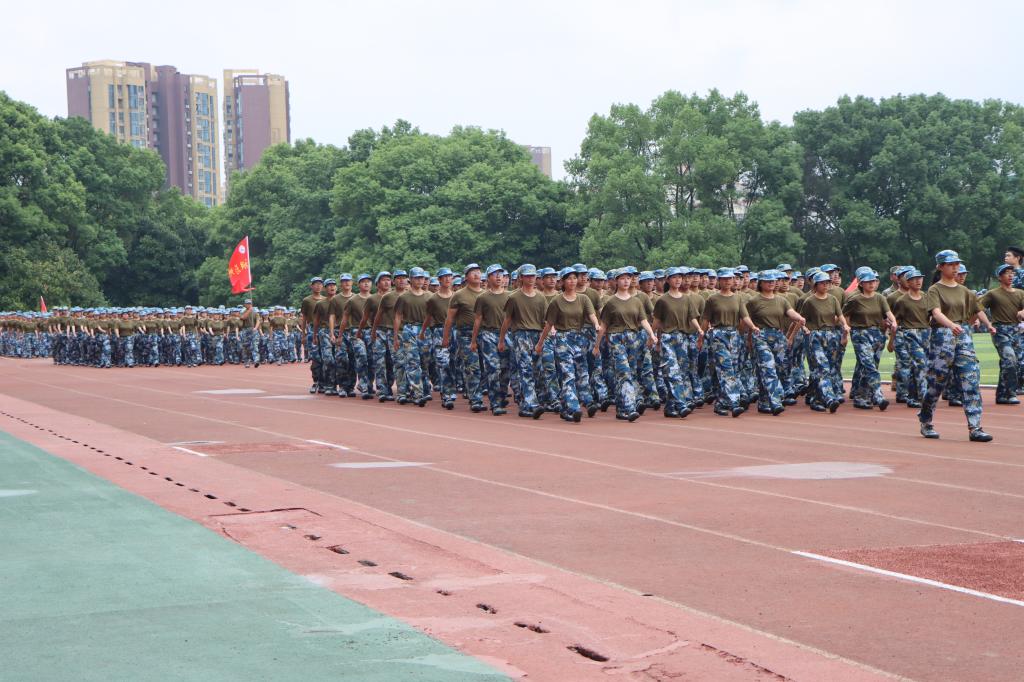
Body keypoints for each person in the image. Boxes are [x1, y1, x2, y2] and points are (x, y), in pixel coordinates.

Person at [918, 250, 995, 442]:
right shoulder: (935, 290)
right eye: (950, 264)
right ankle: (926, 420)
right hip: (942, 337)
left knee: (971, 380)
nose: (955, 268)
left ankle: (975, 427)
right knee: (936, 383)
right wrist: (951, 325)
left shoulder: (965, 291)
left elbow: (977, 310)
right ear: (940, 267)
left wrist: (985, 324)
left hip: (963, 336)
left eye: (957, 264)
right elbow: (936, 313)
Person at [538, 267, 601, 422]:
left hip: (579, 338)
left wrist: (596, 324)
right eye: (569, 278)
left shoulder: (583, 299)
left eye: (574, 278)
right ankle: (574, 407)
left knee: (582, 372)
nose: (572, 281)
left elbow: (591, 314)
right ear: (563, 282)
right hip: (562, 339)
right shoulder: (556, 301)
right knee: (568, 374)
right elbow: (549, 324)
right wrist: (540, 343)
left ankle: (585, 401)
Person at [745, 270, 806, 414]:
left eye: (773, 281)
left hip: (778, 336)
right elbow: (747, 320)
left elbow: (790, 312)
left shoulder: (781, 300)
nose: (771, 283)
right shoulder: (754, 301)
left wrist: (799, 317)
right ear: (761, 283)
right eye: (768, 281)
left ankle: (763, 401)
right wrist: (749, 340)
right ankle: (776, 401)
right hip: (761, 335)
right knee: (768, 367)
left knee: (776, 369)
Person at [652, 267, 703, 417]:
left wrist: (699, 329)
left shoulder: (687, 299)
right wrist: (652, 337)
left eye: (680, 277)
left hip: (682, 338)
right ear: (668, 280)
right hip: (667, 338)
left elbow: (692, 317)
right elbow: (657, 321)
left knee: (681, 371)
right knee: (672, 371)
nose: (678, 280)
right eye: (674, 277)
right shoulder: (662, 300)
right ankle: (681, 404)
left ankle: (670, 406)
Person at [844, 269, 898, 410]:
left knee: (869, 366)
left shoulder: (880, 298)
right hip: (860, 334)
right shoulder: (855, 299)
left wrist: (893, 322)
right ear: (861, 283)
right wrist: (849, 329)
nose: (872, 284)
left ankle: (861, 397)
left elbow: (888, 313)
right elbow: (844, 316)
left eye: (873, 281)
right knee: (869, 365)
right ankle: (878, 396)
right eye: (868, 281)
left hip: (877, 334)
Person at [498, 264, 547, 418]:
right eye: (527, 276)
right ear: (520, 278)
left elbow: (545, 320)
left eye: (533, 276)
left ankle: (527, 404)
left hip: (537, 335)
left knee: (538, 370)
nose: (531, 279)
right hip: (521, 335)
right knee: (525, 369)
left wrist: (545, 336)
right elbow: (507, 320)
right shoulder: (514, 298)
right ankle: (532, 404)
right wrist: (501, 340)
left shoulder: (541, 297)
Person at [796, 271, 849, 413]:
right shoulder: (809, 301)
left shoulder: (833, 299)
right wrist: (805, 329)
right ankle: (829, 398)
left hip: (831, 335)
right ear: (816, 285)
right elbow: (801, 319)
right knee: (822, 367)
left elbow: (840, 315)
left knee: (825, 369)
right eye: (822, 283)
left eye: (828, 283)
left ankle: (815, 398)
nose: (826, 285)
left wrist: (845, 325)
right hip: (815, 336)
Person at [701, 269, 748, 417]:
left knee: (730, 369)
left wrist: (751, 328)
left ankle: (721, 402)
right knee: (727, 368)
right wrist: (700, 337)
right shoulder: (712, 299)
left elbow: (744, 317)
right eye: (724, 279)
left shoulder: (738, 298)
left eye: (730, 279)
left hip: (734, 335)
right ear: (719, 280)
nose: (728, 281)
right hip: (718, 335)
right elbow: (706, 320)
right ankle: (734, 403)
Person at [979, 264, 1024, 405]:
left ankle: (1001, 395)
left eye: (1012, 273)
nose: (1010, 275)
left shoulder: (1020, 293)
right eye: (1006, 273)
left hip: (1016, 330)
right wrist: (988, 324)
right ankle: (1011, 393)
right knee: (1010, 359)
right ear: (999, 277)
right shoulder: (993, 294)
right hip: (1000, 331)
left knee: (1014, 363)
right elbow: (978, 308)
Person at [443, 264, 485, 412]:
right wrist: (446, 337)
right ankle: (476, 399)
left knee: (485, 367)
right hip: (466, 334)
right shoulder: (459, 295)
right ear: (466, 277)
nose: (476, 275)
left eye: (478, 272)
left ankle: (481, 394)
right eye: (472, 273)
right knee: (472, 367)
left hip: (484, 333)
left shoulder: (486, 294)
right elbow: (449, 318)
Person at [470, 264, 511, 415]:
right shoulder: (482, 298)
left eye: (501, 274)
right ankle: (495, 402)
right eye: (495, 274)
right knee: (493, 369)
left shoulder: (510, 296)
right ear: (488, 278)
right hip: (488, 334)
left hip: (507, 335)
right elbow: (478, 319)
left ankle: (501, 396)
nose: (499, 277)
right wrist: (474, 340)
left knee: (505, 369)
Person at [889, 269, 931, 409]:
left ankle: (912, 397)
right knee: (920, 363)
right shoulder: (902, 301)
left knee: (916, 366)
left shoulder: (926, 297)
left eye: (920, 278)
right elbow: (895, 322)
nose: (918, 281)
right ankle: (923, 396)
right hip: (909, 333)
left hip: (925, 333)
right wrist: (892, 340)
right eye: (914, 279)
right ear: (908, 282)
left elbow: (931, 315)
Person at [392, 267, 433, 407]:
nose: (420, 280)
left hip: (425, 331)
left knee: (425, 362)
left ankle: (425, 389)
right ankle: (417, 393)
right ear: (411, 280)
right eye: (417, 278)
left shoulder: (429, 297)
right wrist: (396, 337)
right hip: (409, 329)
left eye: (422, 278)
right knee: (412, 362)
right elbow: (398, 316)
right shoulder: (404, 297)